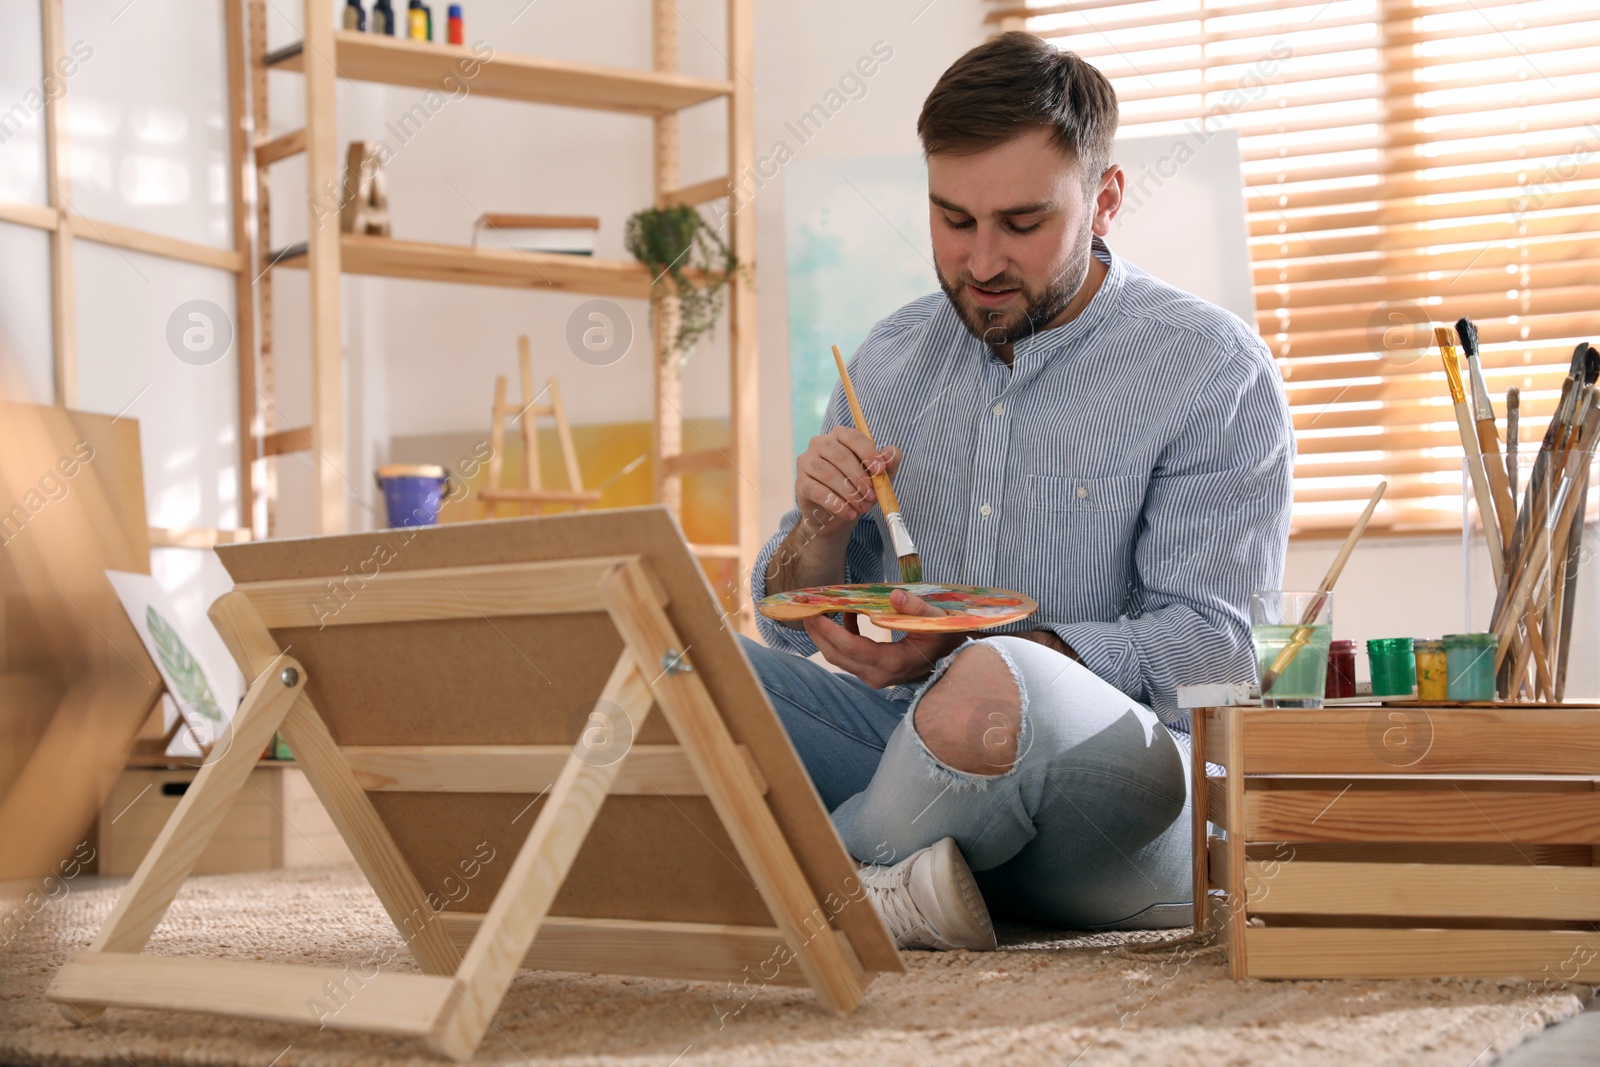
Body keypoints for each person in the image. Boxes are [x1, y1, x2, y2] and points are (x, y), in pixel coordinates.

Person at [738, 32, 1293, 951]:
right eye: (953, 220)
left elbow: (1217, 647)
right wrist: (821, 533)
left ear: (1105, 200)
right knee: (674, 666)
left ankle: (813, 886)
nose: (981, 260)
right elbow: (787, 620)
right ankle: (899, 874)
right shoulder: (885, 357)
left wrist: (986, 650)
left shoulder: (1211, 367)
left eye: (1022, 225)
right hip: (910, 742)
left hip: (1125, 797)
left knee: (992, 682)